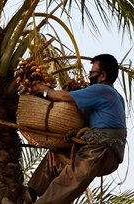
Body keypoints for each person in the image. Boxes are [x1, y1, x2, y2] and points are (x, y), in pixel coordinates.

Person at [26, 54, 127, 204]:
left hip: (101, 149)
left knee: (70, 180)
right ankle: (29, 193)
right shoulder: (116, 96)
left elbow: (65, 97)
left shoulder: (102, 89)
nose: (89, 76)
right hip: (106, 151)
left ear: (103, 75)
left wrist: (45, 90)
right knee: (57, 156)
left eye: (92, 73)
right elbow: (86, 113)